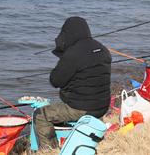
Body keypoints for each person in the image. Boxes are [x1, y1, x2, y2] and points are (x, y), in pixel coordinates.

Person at [34, 17, 111, 150]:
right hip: (102, 106)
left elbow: (55, 81)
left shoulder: (73, 54)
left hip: (82, 108)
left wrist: (63, 57)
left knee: (41, 114)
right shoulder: (103, 49)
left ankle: (48, 150)